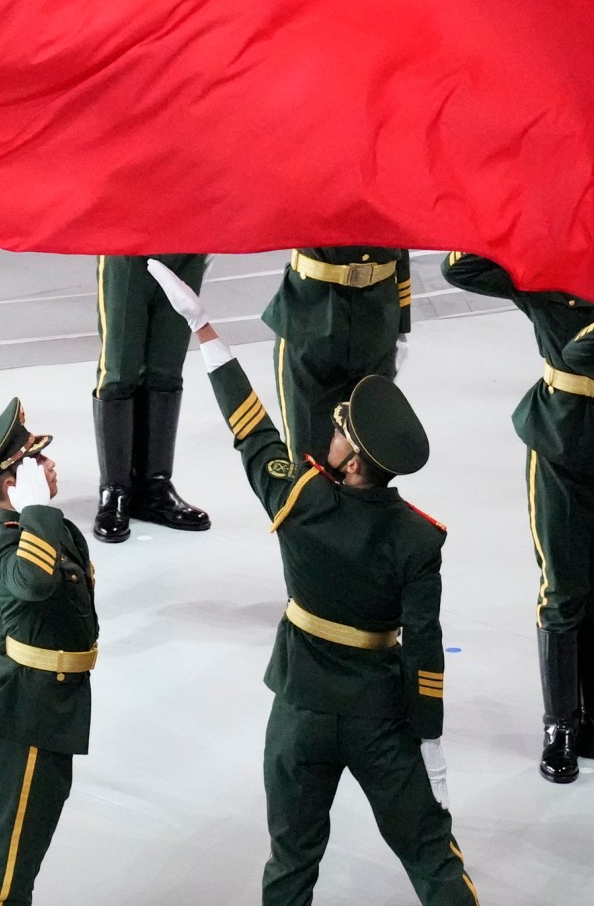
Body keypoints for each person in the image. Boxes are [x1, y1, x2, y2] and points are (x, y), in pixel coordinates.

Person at [149, 260, 478, 906]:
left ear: (352, 461)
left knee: (292, 865)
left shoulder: (298, 502)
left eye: (337, 432)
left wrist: (204, 328)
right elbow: (425, 650)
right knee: (432, 857)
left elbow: (249, 426)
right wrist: (431, 741)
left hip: (299, 707)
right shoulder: (419, 538)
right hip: (379, 719)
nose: (325, 433)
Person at [441, 250, 594, 783]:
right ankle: (562, 725)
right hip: (560, 441)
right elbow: (461, 268)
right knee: (564, 590)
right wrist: (517, 231)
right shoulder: (544, 272)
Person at [0, 399, 95, 906]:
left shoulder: (50, 528)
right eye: (38, 461)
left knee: (24, 861)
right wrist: (35, 509)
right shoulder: (8, 539)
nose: (52, 464)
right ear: (14, 483)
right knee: (6, 880)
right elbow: (33, 583)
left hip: (52, 710)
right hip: (21, 720)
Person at [89, 254, 213, 540]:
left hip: (186, 238)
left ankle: (154, 487)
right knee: (118, 369)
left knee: (167, 368)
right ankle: (115, 490)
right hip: (126, 239)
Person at [262, 248, 411, 463]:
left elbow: (402, 232)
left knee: (369, 457)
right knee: (310, 460)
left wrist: (401, 321)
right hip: (311, 315)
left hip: (377, 317)